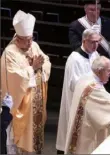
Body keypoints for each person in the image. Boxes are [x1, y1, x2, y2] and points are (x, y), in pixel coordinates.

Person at [0, 10, 51, 154]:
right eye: (27, 40)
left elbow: (46, 60)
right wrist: (32, 68)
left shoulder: (33, 46)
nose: (30, 43)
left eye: (31, 38)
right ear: (17, 38)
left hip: (34, 106)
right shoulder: (10, 53)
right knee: (16, 146)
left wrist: (40, 66)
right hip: (19, 107)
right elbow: (14, 79)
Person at [56, 29, 101, 154]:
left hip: (91, 103)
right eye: (92, 42)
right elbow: (75, 84)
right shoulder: (74, 59)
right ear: (84, 41)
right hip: (77, 104)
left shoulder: (95, 55)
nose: (95, 45)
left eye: (97, 42)